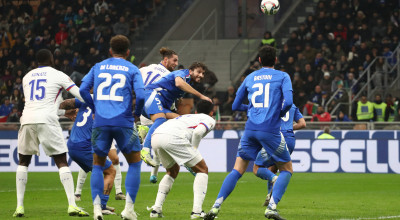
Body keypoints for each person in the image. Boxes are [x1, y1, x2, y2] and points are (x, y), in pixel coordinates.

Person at [204, 45, 293, 220]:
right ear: (275, 60)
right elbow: (288, 102)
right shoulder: (283, 76)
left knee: (237, 170)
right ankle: (272, 208)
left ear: (259, 61)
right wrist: (278, 113)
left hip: (250, 129)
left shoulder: (250, 77)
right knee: (287, 170)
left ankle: (215, 207)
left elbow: (235, 106)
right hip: (270, 130)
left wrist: (252, 108)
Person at [14, 49, 89, 217]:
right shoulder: (58, 74)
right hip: (47, 120)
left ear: (37, 62)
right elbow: (79, 94)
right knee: (61, 160)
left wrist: (63, 113)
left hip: (27, 119)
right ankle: (72, 205)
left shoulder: (26, 77)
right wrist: (94, 102)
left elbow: (41, 103)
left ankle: (19, 206)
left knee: (23, 161)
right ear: (51, 59)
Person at [79, 35, 145, 220]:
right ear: (128, 52)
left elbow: (83, 89)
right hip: (124, 121)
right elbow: (140, 96)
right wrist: (136, 114)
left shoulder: (98, 67)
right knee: (135, 163)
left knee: (98, 165)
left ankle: (97, 210)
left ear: (110, 50)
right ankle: (128, 210)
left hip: (100, 123)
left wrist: (95, 108)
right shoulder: (132, 69)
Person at [148, 100, 215, 219]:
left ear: (195, 111)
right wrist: (194, 149)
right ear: (212, 112)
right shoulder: (209, 119)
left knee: (172, 171)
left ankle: (156, 210)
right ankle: (197, 212)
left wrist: (154, 172)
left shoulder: (187, 117)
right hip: (172, 137)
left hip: (156, 135)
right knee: (202, 170)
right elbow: (198, 132)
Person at [140, 62, 212, 169]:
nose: (201, 75)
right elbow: (179, 83)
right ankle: (145, 150)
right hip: (150, 95)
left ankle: (145, 128)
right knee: (160, 119)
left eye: (203, 74)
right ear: (191, 71)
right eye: (199, 72)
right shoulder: (182, 73)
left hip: (154, 102)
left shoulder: (188, 82)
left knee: (177, 120)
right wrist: (201, 96)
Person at [59, 98, 116, 215]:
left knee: (97, 170)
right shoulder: (106, 109)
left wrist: (66, 112)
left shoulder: (86, 101)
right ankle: (102, 206)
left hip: (72, 144)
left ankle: (94, 200)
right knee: (110, 171)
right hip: (83, 147)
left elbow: (64, 104)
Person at [252, 104, 306, 206]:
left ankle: (274, 181)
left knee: (258, 167)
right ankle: (270, 197)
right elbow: (302, 124)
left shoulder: (271, 102)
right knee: (275, 167)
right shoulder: (293, 106)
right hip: (290, 140)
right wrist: (289, 127)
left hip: (275, 138)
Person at [138, 47, 179, 181]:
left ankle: (153, 175)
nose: (176, 64)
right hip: (154, 105)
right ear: (165, 60)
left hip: (143, 106)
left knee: (156, 141)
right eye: (174, 60)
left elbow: (136, 77)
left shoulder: (148, 67)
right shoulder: (169, 76)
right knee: (166, 128)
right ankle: (145, 134)